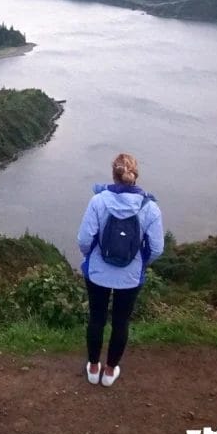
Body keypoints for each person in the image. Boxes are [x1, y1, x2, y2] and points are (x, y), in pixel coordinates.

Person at [77, 153, 164, 387]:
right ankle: (109, 371)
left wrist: (91, 257)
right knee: (121, 322)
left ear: (113, 175)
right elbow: (157, 248)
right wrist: (141, 262)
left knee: (97, 318)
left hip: (98, 272)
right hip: (130, 276)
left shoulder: (98, 201)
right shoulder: (150, 207)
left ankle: (93, 368)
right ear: (135, 175)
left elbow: (84, 239)